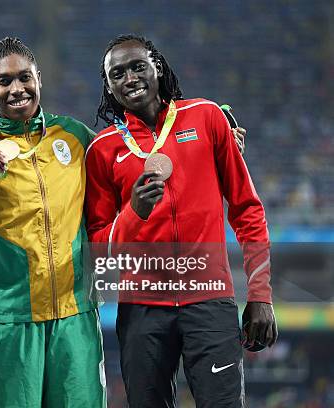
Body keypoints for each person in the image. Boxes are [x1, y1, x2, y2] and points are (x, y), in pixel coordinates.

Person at [85, 34, 277, 408]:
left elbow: (247, 209)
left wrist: (260, 294)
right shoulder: (103, 150)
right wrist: (134, 213)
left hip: (210, 298)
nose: (130, 78)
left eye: (138, 66)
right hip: (141, 308)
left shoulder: (206, 117)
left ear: (157, 66)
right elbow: (100, 250)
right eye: (117, 73)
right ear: (108, 86)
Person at [0, 37, 106, 407]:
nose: (17, 89)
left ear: (39, 79)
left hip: (76, 316)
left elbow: (126, 173)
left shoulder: (76, 137)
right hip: (8, 321)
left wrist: (216, 135)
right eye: (4, 81)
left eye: (25, 78)